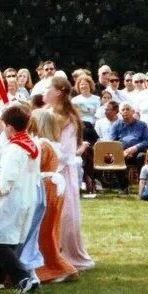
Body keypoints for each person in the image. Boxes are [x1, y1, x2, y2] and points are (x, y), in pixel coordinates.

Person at [0, 104, 40, 294]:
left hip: (12, 199)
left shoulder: (15, 149)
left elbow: (6, 180)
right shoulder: (32, 144)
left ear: (9, 127)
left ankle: (23, 277)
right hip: (27, 196)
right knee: (11, 239)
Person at [45, 75, 95, 271]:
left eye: (48, 89)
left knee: (65, 215)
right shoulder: (45, 113)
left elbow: (66, 152)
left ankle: (67, 253)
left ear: (58, 92)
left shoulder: (69, 118)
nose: (44, 92)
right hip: (45, 170)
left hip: (61, 172)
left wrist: (48, 164)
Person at [30, 109, 78, 284]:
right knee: (49, 230)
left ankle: (53, 268)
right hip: (53, 188)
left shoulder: (42, 145)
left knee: (43, 232)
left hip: (45, 189)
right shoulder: (53, 144)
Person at [109, 102, 148, 193]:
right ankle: (123, 187)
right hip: (121, 153)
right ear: (120, 113)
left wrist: (135, 148)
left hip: (138, 152)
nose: (125, 111)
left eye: (128, 109)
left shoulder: (142, 125)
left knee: (142, 157)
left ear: (133, 111)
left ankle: (144, 186)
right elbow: (112, 142)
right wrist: (124, 152)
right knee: (115, 159)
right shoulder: (116, 125)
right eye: (123, 110)